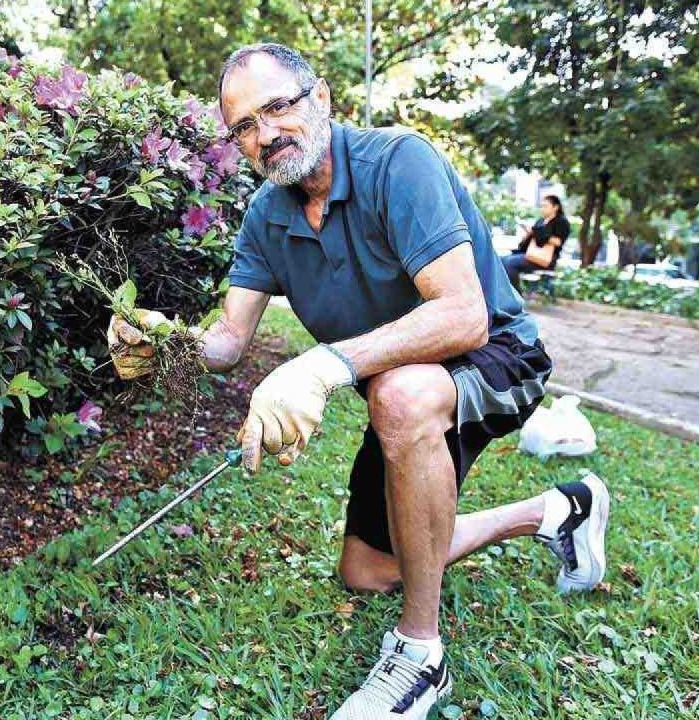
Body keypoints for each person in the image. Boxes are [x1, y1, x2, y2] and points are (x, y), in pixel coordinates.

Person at [107, 44, 611, 720]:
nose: (265, 134)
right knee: (367, 569)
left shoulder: (398, 162)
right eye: (244, 126)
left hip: (497, 357)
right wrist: (165, 341)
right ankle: (557, 511)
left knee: (397, 395)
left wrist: (322, 365)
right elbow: (228, 342)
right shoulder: (267, 216)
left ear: (321, 98)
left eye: (277, 107)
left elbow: (464, 314)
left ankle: (418, 658)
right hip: (396, 390)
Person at [501, 195, 570, 291]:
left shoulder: (561, 222)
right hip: (530, 254)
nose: (542, 208)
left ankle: (515, 296)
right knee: (501, 260)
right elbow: (533, 235)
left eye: (545, 206)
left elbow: (558, 242)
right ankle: (505, 293)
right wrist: (529, 232)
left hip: (546, 259)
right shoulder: (541, 221)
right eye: (542, 206)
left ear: (555, 207)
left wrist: (538, 233)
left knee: (509, 263)